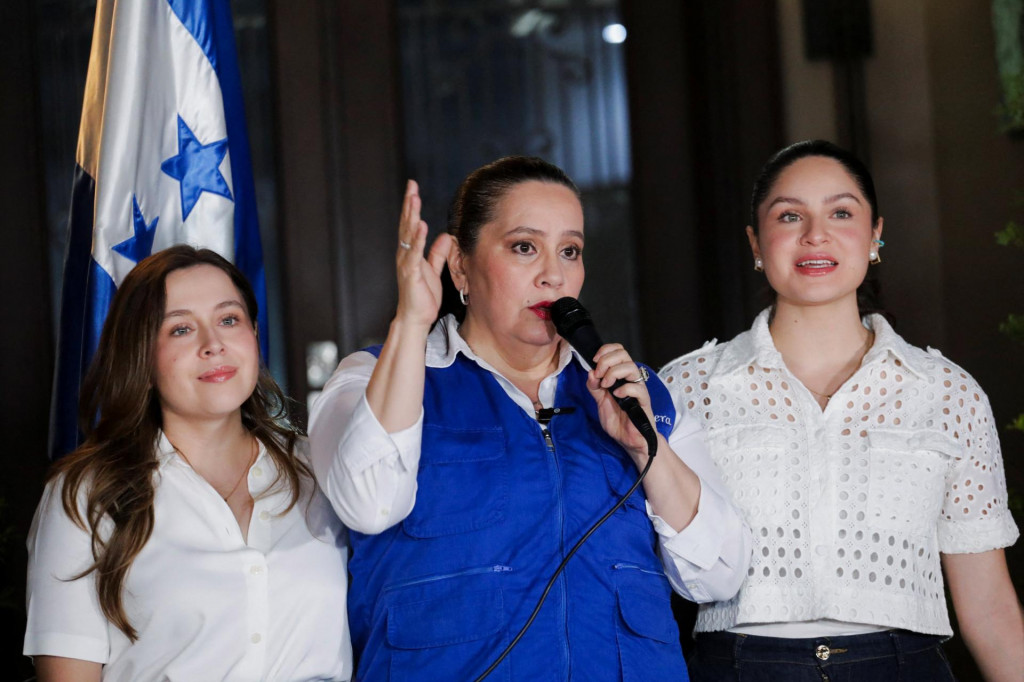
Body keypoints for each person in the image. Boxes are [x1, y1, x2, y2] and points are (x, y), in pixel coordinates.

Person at [308, 156, 752, 680]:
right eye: (524, 247)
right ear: (460, 268)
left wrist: (644, 445)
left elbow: (722, 573)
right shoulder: (372, 377)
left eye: (570, 251)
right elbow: (369, 503)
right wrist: (411, 323)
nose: (553, 274)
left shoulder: (639, 391)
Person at [660, 139, 1024, 681]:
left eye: (840, 212)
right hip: (738, 666)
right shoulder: (688, 386)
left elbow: (990, 605)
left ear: (875, 234)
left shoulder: (948, 393)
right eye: (789, 215)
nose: (815, 235)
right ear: (755, 242)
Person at [24, 246, 352, 682]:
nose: (213, 344)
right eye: (180, 329)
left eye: (229, 320)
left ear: (254, 333)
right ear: (142, 353)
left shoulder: (320, 467)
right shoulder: (87, 494)